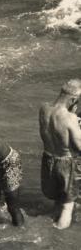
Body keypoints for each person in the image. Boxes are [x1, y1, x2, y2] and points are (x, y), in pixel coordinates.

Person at [39, 80, 81, 229]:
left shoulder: (43, 108)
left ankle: (52, 226)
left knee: (58, 199)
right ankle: (58, 237)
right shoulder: (70, 119)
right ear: (73, 100)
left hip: (48, 159)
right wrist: (75, 118)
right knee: (68, 206)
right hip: (66, 163)